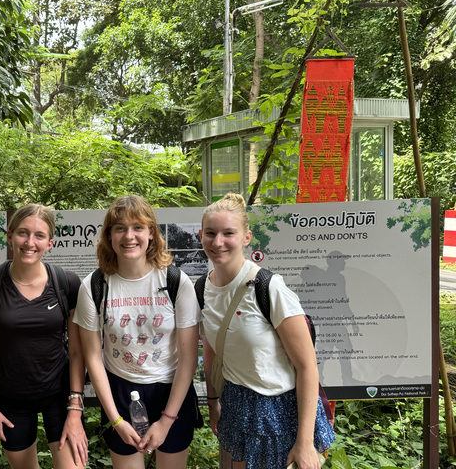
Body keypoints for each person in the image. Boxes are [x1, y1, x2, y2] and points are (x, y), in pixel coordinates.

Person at [200, 193, 334, 469]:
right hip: (235, 405)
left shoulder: (269, 288)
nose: (218, 242)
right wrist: (213, 401)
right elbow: (212, 350)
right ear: (201, 235)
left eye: (228, 233)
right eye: (211, 233)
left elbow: (307, 366)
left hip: (280, 413)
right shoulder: (202, 288)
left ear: (246, 237)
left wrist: (305, 443)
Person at [74, 195, 200, 469]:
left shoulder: (176, 282)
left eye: (138, 227)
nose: (129, 236)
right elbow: (93, 356)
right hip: (119, 390)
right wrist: (116, 420)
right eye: (119, 228)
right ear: (109, 235)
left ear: (152, 233)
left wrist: (167, 420)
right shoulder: (94, 286)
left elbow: (189, 358)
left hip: (171, 392)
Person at [0, 204, 88, 469]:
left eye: (39, 236)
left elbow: (78, 352)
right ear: (10, 236)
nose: (30, 242)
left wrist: (75, 408)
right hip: (12, 396)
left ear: (50, 242)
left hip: (60, 394)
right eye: (23, 233)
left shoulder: (66, 283)